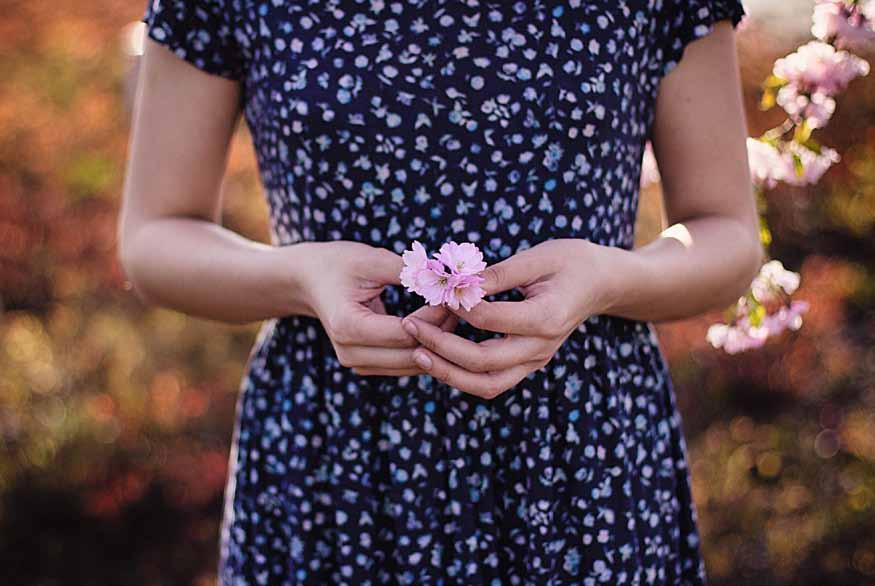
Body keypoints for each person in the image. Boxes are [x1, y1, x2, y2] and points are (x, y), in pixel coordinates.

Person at [118, 0, 761, 584]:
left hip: (578, 455)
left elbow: (727, 234)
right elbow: (156, 236)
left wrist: (609, 278)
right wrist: (299, 278)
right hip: (334, 457)